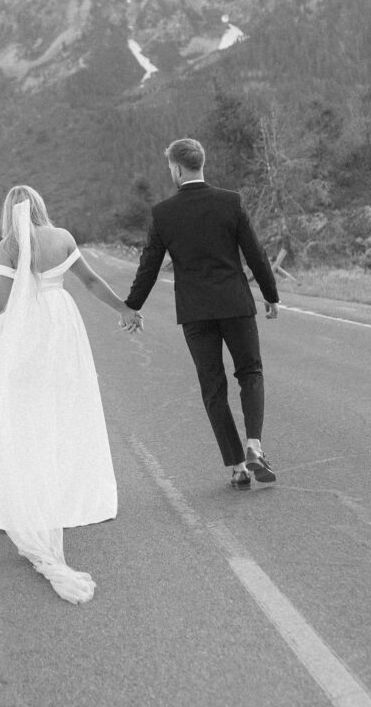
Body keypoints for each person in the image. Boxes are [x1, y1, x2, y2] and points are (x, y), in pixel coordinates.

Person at [0, 184, 138, 604]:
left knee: (26, 412)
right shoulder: (62, 237)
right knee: (67, 409)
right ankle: (71, 495)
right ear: (39, 206)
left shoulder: (10, 245)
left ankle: (35, 494)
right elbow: (91, 281)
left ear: (10, 212)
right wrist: (125, 310)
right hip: (63, 326)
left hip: (29, 331)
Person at [123, 138, 280, 488]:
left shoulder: (164, 213)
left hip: (195, 313)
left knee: (213, 388)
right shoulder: (231, 202)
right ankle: (254, 444)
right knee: (250, 372)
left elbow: (148, 266)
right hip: (235, 304)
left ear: (177, 169)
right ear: (200, 163)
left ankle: (238, 466)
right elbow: (255, 254)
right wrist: (270, 295)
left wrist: (132, 306)